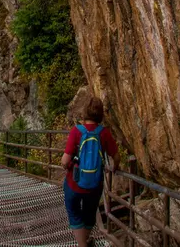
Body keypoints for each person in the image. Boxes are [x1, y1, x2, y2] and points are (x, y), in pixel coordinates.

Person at [60, 96, 118, 247]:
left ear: (85, 112)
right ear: (100, 114)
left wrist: (66, 167)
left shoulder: (76, 131)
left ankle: (82, 245)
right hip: (94, 185)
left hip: (75, 182)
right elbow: (115, 156)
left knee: (73, 210)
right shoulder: (104, 133)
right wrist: (116, 167)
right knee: (90, 213)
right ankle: (85, 240)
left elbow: (65, 161)